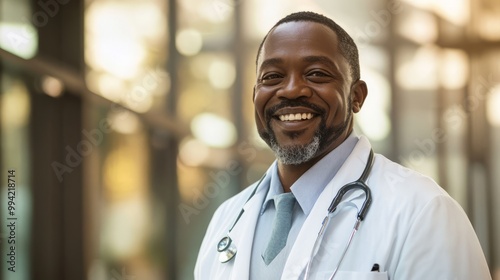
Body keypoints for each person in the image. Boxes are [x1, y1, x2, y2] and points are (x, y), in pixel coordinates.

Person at [194, 11, 491, 280]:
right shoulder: (227, 219)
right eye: (272, 77)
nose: (292, 89)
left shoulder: (423, 212)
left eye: (316, 74)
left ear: (357, 96)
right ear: (255, 94)